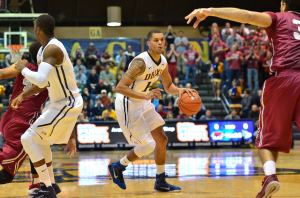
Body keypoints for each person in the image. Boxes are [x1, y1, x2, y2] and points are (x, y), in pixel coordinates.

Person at [185, 1, 300, 197]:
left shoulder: (279, 18)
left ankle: (270, 176)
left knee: (266, 139)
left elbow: (247, 16)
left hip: (284, 80)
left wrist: (209, 11)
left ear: (283, 4)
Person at [108, 30, 195, 192]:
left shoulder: (162, 61)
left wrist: (180, 90)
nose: (160, 42)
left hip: (143, 101)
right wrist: (145, 94)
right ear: (148, 43)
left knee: (161, 140)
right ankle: (118, 166)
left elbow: (168, 86)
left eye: (162, 40)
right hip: (128, 104)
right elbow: (119, 87)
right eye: (156, 40)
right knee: (148, 145)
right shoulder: (140, 63)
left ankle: (160, 180)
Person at [14, 14, 83, 197]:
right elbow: (42, 84)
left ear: (37, 29)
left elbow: (41, 78)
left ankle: (47, 188)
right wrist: (23, 95)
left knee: (27, 138)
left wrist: (22, 68)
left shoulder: (53, 49)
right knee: (40, 140)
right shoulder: (42, 51)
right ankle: (50, 184)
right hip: (57, 103)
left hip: (68, 103)